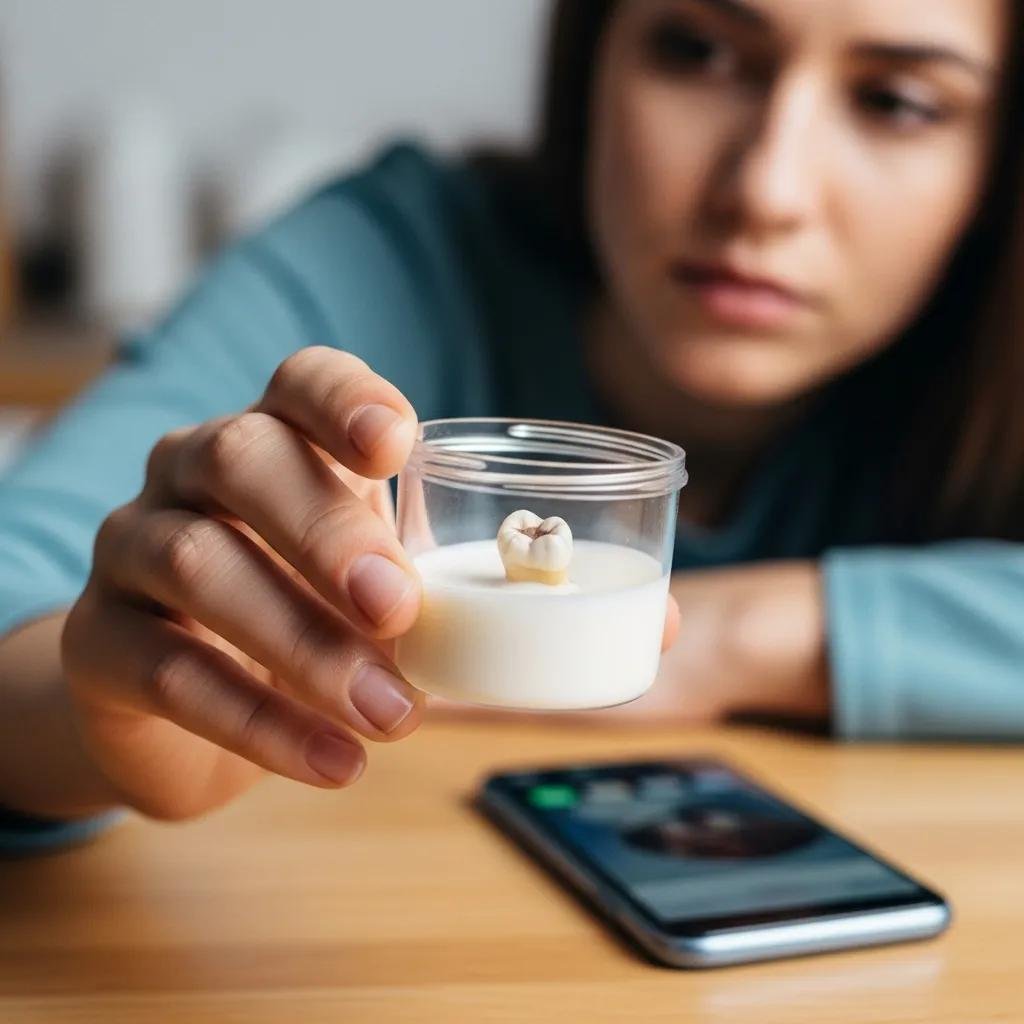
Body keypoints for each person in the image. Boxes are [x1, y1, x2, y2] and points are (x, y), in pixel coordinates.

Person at [1, 0, 1021, 847]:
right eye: (699, 51)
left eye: (896, 101)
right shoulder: (384, 263)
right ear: (592, 57)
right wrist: (111, 717)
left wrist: (742, 635)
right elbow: (23, 601)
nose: (765, 189)